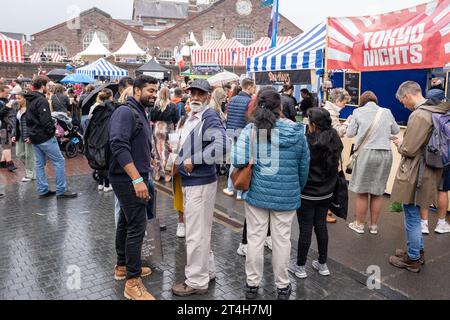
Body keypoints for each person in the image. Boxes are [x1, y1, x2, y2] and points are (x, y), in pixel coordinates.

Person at [232, 87, 310, 300]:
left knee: (255, 239)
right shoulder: (297, 133)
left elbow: (237, 160)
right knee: (282, 241)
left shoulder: (251, 130)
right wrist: (295, 188)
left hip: (257, 193)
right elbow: (304, 169)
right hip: (287, 195)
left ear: (258, 106)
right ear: (281, 107)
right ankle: (283, 286)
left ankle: (252, 284)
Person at [171, 80, 227, 297]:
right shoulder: (192, 117)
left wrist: (195, 159)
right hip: (193, 181)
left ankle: (195, 281)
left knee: (195, 234)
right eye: (192, 92)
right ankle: (207, 272)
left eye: (199, 93)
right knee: (200, 231)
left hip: (199, 181)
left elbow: (222, 146)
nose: (194, 96)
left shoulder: (209, 116)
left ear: (207, 95)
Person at [389, 81, 450, 273]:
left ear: (407, 95)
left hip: (416, 172)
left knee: (412, 215)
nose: (403, 105)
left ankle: (413, 258)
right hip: (431, 170)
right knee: (414, 212)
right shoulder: (438, 111)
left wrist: (400, 142)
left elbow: (410, 148)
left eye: (402, 101)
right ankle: (415, 250)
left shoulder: (419, 115)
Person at [109, 75, 158, 300]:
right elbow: (118, 145)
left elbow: (136, 143)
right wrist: (137, 179)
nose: (154, 94)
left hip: (133, 176)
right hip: (128, 180)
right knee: (136, 226)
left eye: (156, 90)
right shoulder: (125, 111)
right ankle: (132, 281)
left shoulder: (139, 111)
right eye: (150, 90)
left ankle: (123, 266)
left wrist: (149, 159)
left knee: (126, 222)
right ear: (136, 90)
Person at [294, 107, 343, 279]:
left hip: (307, 193)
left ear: (313, 124)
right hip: (327, 192)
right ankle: (323, 264)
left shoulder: (307, 140)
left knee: (305, 229)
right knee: (321, 226)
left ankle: (300, 267)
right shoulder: (335, 137)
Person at [347, 91, 400, 235]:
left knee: (362, 191)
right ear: (375, 100)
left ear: (362, 101)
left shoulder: (358, 111)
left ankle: (359, 224)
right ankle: (374, 226)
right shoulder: (386, 111)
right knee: (378, 191)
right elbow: (395, 130)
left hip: (366, 154)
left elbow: (350, 133)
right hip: (385, 154)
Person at [25, 76, 78, 199]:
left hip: (35, 136)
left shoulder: (30, 99)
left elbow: (28, 119)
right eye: (47, 86)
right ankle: (61, 190)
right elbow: (45, 121)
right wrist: (52, 131)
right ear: (43, 86)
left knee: (39, 164)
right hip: (44, 137)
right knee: (59, 161)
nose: (48, 88)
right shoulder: (41, 100)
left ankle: (43, 190)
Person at [420, 88, 450, 234]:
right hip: (446, 159)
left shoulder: (426, 114)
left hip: (429, 157)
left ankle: (424, 224)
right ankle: (441, 223)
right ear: (443, 100)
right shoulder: (447, 114)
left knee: (426, 189)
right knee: (442, 191)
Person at [223, 78, 256, 200]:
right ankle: (238, 191)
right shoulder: (250, 102)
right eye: (254, 87)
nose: (254, 90)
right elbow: (251, 120)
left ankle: (231, 187)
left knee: (234, 160)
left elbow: (228, 116)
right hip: (243, 134)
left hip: (231, 132)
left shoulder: (232, 99)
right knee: (242, 161)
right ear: (249, 87)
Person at [323, 88, 351, 223]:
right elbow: (338, 132)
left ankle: (326, 209)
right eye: (344, 103)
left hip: (326, 151)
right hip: (329, 152)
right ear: (337, 100)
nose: (344, 106)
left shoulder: (327, 110)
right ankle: (324, 211)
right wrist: (347, 122)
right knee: (329, 181)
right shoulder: (331, 113)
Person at [150, 87, 180, 183]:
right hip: (167, 128)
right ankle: (167, 174)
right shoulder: (172, 105)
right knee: (167, 151)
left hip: (157, 128)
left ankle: (157, 173)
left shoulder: (155, 105)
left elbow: (152, 118)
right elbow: (176, 119)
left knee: (156, 151)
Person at [90, 89, 114, 193]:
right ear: (110, 97)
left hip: (95, 136)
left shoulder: (94, 107)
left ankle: (100, 183)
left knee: (99, 160)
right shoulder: (109, 108)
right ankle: (107, 184)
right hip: (106, 135)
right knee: (107, 160)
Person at [11, 92, 35, 182]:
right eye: (16, 98)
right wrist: (13, 134)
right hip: (19, 134)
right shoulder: (17, 108)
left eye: (19, 98)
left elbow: (33, 124)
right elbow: (15, 123)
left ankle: (30, 174)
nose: (17, 100)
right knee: (19, 154)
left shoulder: (30, 108)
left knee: (29, 155)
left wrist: (31, 136)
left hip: (28, 134)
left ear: (25, 98)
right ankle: (33, 169)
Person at [0, 85, 17, 172]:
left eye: (9, 93)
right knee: (6, 145)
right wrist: (7, 107)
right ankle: (10, 164)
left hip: (7, 125)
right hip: (2, 127)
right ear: (1, 91)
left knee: (6, 144)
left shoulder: (5, 100)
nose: (8, 94)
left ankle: (2, 162)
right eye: (6, 93)